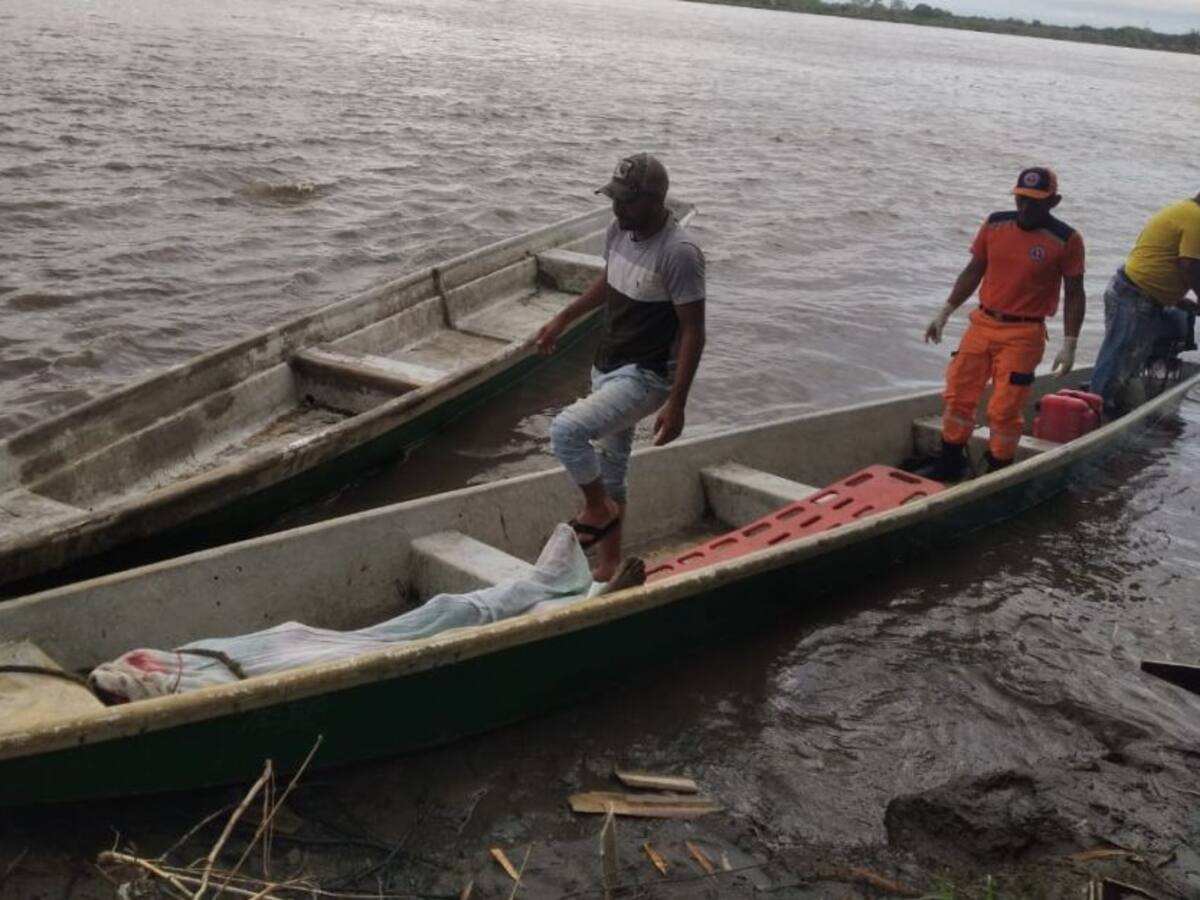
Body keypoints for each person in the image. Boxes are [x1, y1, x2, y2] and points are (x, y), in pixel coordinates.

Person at [535, 153, 706, 581]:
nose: (617, 208)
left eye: (627, 201)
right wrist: (563, 317)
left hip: (646, 376)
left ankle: (597, 509)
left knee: (566, 431)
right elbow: (609, 282)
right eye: (615, 198)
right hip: (607, 363)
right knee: (613, 468)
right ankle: (610, 566)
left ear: (656, 200)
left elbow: (693, 332)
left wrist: (678, 403)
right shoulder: (618, 230)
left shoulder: (679, 253)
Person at [924, 167, 1085, 479]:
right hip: (983, 322)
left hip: (1024, 333)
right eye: (1021, 199)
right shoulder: (996, 223)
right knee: (958, 394)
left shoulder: (1066, 240)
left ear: (1054, 201)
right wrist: (944, 312)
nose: (1025, 207)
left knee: (1004, 407)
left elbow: (1075, 293)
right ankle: (949, 462)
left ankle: (997, 471)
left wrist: (1070, 343)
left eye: (1035, 201)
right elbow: (974, 270)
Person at [1088, 194, 1200, 415]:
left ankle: (1112, 399)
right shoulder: (1195, 218)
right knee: (1117, 356)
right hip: (1133, 294)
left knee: (1131, 354)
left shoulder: (1184, 211)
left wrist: (1175, 298)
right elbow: (1189, 266)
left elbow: (1160, 257)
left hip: (1142, 293)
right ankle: (1096, 409)